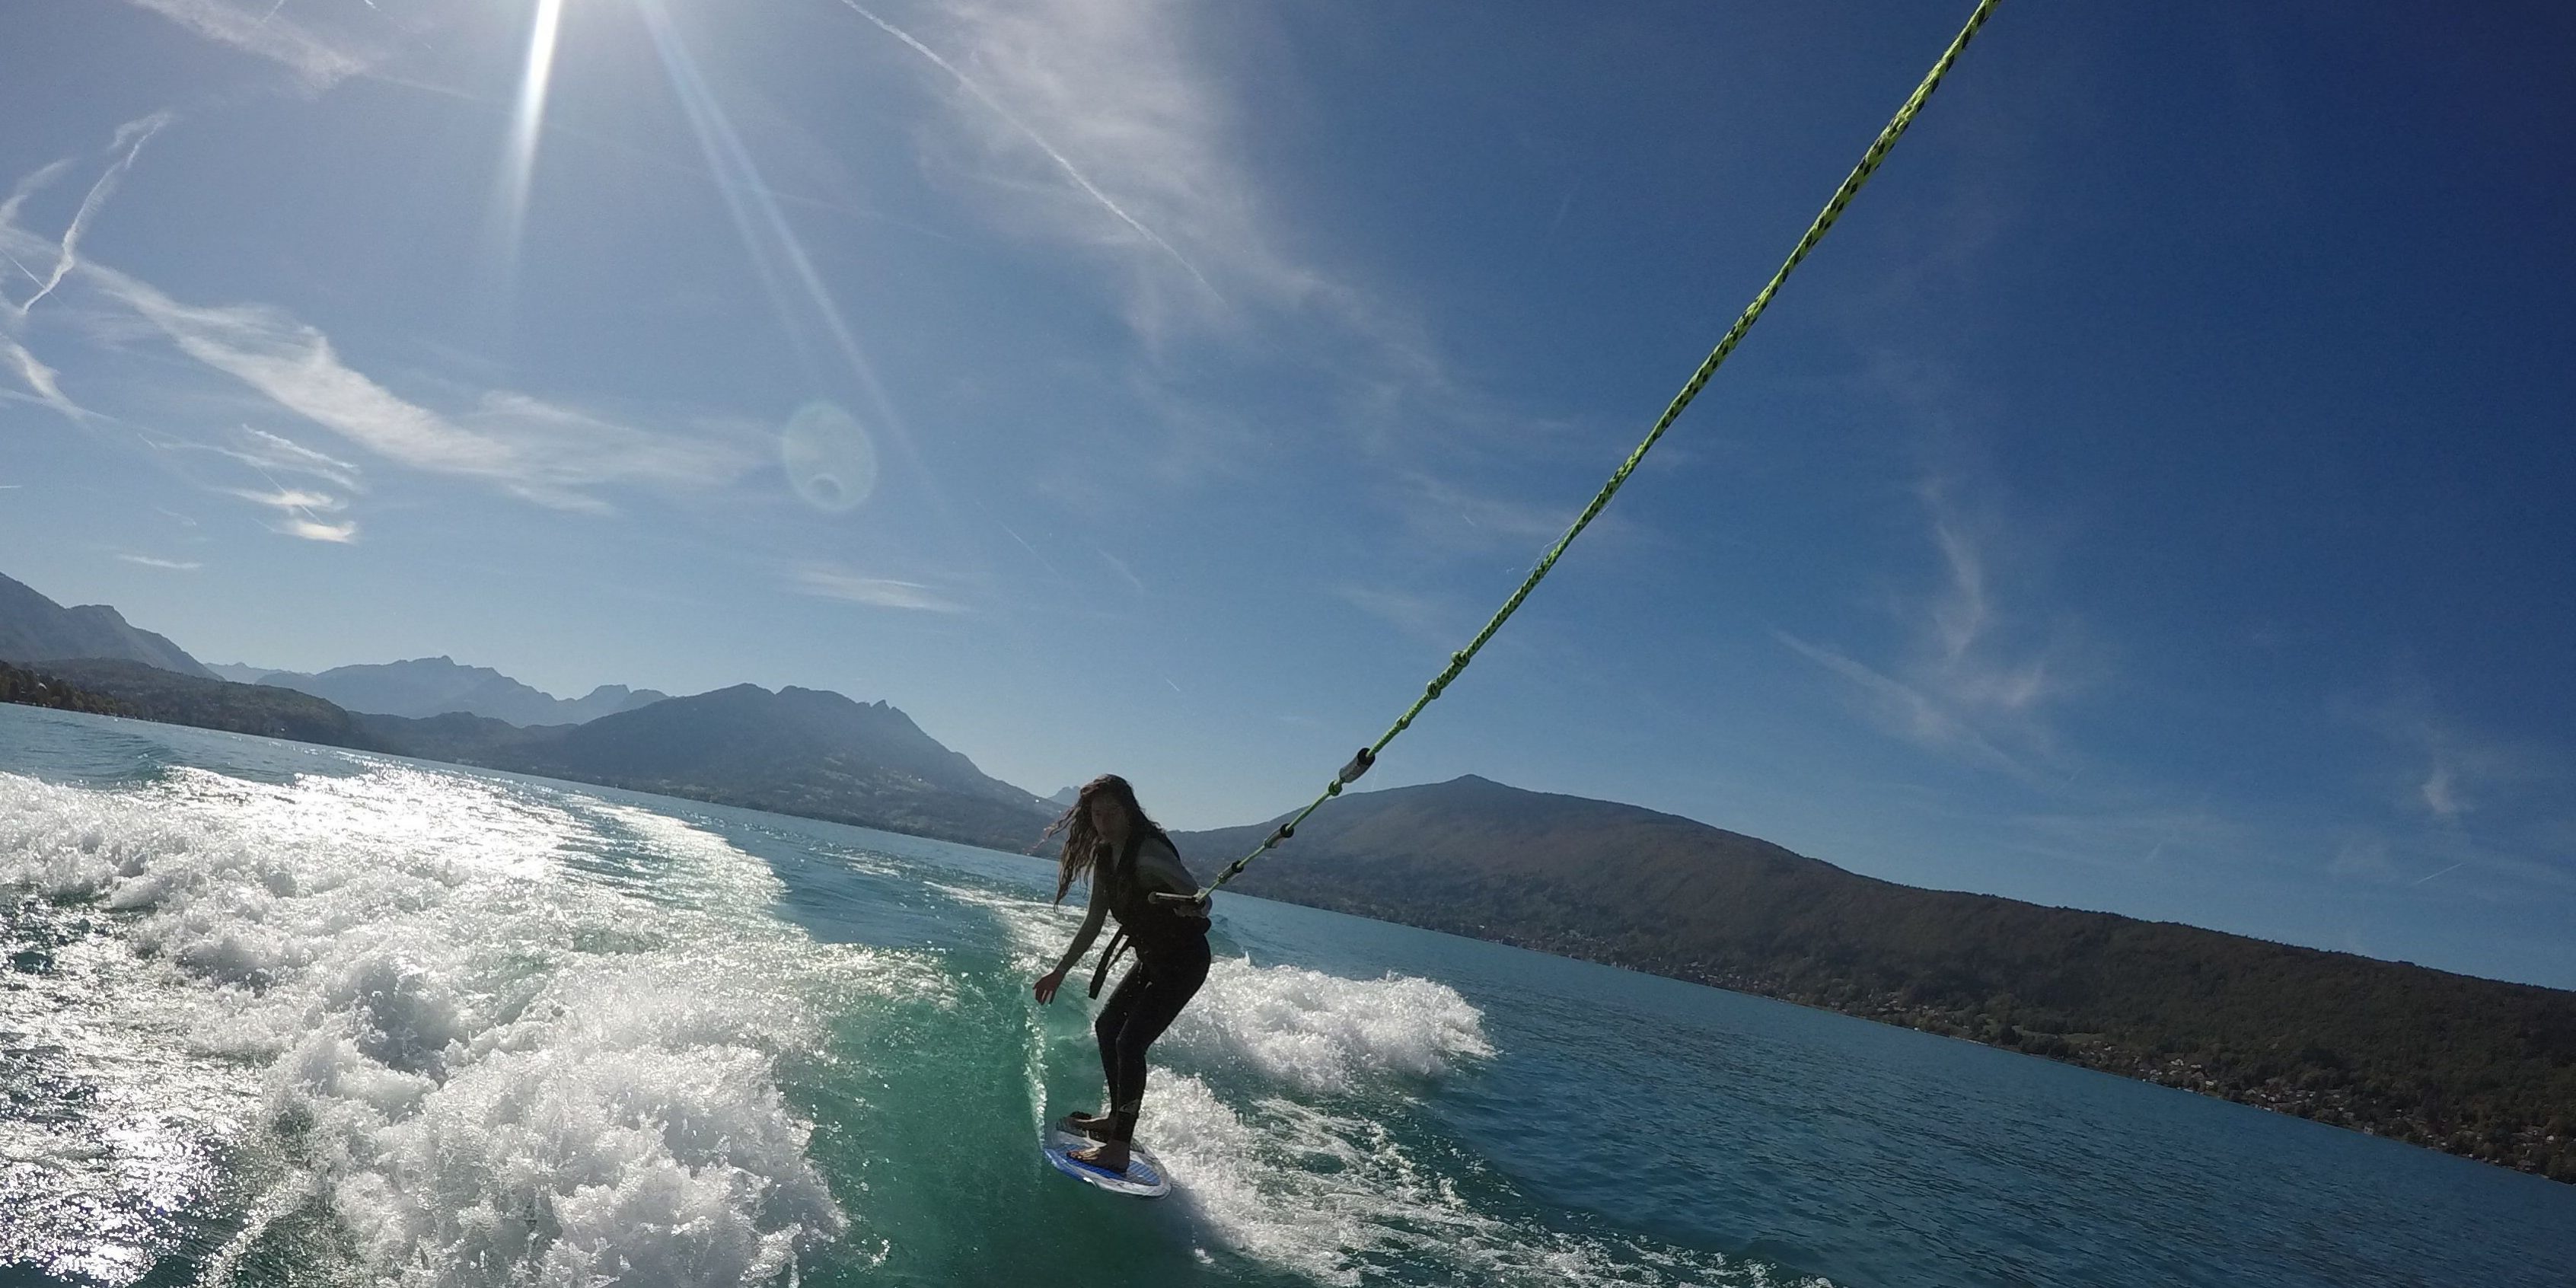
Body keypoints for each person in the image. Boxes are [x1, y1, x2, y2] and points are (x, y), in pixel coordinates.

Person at [1034, 774, 1212, 1172]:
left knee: (1130, 1043)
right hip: (1152, 958)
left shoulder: (1148, 852)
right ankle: (1117, 1119)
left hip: (1184, 961)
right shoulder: (1106, 856)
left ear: (1129, 811)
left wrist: (1191, 905)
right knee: (1108, 1028)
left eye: (1111, 812)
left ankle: (1119, 1148)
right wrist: (1059, 971)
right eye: (1097, 814)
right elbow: (1094, 921)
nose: (1104, 821)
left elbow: (1200, 896)